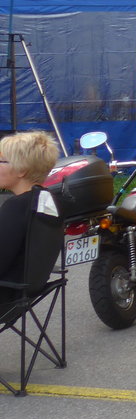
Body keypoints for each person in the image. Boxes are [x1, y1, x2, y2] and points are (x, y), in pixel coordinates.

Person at [0, 131, 61, 315]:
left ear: (21, 170)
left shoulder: (17, 206)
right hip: (28, 290)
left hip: (6, 295)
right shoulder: (47, 200)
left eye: (2, 161)